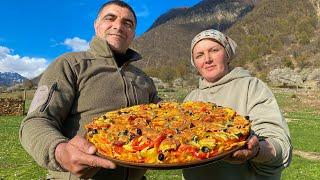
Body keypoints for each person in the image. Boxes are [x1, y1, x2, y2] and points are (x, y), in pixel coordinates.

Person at [19, 1, 161, 179]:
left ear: (133, 33)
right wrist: (60, 151)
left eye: (128, 23)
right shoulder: (70, 65)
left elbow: (166, 115)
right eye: (110, 18)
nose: (118, 26)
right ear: (96, 25)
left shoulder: (144, 79)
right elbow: (35, 121)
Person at [182, 29, 292, 180]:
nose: (207, 59)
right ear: (195, 63)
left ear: (227, 54)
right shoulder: (190, 99)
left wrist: (256, 150)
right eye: (199, 55)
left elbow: (279, 144)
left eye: (214, 50)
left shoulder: (251, 87)